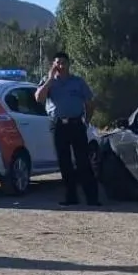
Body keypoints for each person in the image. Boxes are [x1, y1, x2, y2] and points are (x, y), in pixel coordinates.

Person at [35, 51, 100, 207]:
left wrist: (86, 121)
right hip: (58, 125)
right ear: (53, 65)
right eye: (58, 63)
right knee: (64, 163)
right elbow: (38, 98)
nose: (61, 66)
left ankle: (92, 198)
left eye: (63, 63)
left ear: (69, 64)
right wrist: (50, 79)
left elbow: (90, 103)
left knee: (83, 161)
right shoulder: (48, 81)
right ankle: (71, 197)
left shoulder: (78, 82)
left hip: (76, 124)